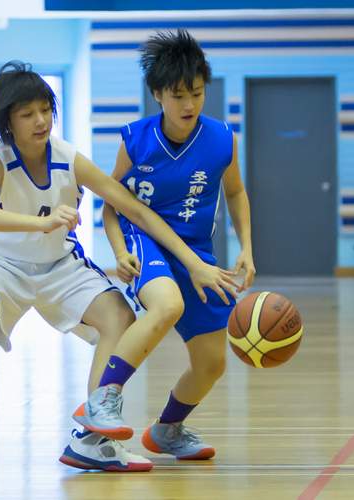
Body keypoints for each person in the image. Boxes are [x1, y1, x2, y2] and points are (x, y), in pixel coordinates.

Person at [0, 61, 237, 472]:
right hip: (2, 262)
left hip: (60, 264)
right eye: (27, 114)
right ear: (7, 121)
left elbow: (132, 207)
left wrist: (189, 260)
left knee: (119, 317)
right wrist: (40, 222)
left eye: (45, 109)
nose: (40, 120)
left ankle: (93, 437)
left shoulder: (68, 157)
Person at [74, 30, 256, 460]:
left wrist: (246, 246)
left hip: (197, 252)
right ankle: (103, 399)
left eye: (196, 93)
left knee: (212, 362)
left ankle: (168, 430)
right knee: (167, 304)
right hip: (147, 240)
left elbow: (235, 193)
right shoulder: (135, 140)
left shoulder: (222, 139)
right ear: (157, 94)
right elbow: (112, 206)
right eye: (178, 95)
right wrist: (119, 249)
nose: (189, 104)